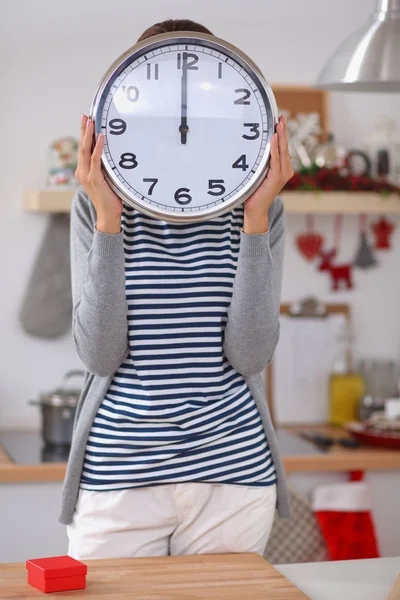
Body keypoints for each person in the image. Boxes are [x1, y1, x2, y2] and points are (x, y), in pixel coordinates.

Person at [61, 18, 294, 560]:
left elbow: (251, 353)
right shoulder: (94, 208)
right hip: (119, 476)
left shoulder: (260, 209)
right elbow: (99, 353)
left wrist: (256, 218)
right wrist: (108, 220)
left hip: (233, 476)